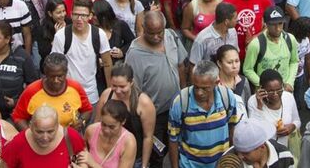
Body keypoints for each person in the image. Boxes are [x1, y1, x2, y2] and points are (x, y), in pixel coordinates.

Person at [124, 11, 187, 155]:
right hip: (154, 115)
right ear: (143, 29)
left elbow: (181, 65)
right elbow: (134, 90)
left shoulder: (171, 36)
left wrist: (184, 93)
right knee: (157, 154)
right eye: (151, 33)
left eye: (160, 32)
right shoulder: (135, 54)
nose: (156, 37)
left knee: (177, 147)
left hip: (176, 108)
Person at [168, 60, 239, 168]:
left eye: (205, 88)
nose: (199, 92)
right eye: (196, 87)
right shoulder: (181, 101)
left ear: (216, 83)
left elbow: (231, 129)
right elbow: (173, 139)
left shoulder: (227, 97)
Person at [52, 0, 112, 107]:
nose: (79, 19)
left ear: (90, 16)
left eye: (83, 15)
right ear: (71, 15)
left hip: (91, 95)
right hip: (67, 94)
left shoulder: (99, 35)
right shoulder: (61, 36)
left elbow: (107, 63)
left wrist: (109, 92)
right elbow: (54, 66)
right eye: (76, 15)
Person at [95, 64, 157, 168]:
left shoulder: (144, 103)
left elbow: (148, 137)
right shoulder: (106, 95)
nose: (118, 90)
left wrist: (144, 165)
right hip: (107, 154)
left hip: (134, 157)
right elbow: (97, 125)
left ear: (131, 82)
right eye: (114, 86)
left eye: (122, 86)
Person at [11, 53, 93, 130]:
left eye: (60, 76)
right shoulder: (31, 91)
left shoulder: (75, 88)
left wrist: (81, 121)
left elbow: (87, 110)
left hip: (68, 139)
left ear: (66, 73)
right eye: (52, 76)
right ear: (45, 74)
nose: (56, 80)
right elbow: (18, 117)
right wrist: (32, 134)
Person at [1, 104, 86, 168]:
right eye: (39, 132)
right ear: (31, 126)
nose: (45, 137)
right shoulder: (19, 142)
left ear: (57, 126)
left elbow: (84, 159)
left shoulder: (70, 136)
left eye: (50, 131)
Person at [242, 6, 299, 91]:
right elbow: (247, 69)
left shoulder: (290, 39)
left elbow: (294, 61)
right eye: (273, 24)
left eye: (280, 23)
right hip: (265, 92)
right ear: (266, 24)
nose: (278, 28)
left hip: (286, 90)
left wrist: (290, 82)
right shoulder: (256, 44)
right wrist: (263, 85)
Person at [247, 69, 301, 152]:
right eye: (271, 91)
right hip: (265, 151)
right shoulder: (253, 101)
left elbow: (297, 121)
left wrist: (292, 126)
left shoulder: (288, 97)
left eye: (279, 90)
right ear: (261, 89)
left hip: (285, 150)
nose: (275, 94)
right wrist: (259, 107)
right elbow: (254, 132)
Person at [217, 118, 295, 168]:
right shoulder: (228, 161)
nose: (240, 157)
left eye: (245, 153)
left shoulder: (284, 155)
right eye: (238, 151)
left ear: (262, 147)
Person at [80, 99, 136, 168]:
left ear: (123, 122)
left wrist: (93, 164)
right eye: (103, 124)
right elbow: (82, 152)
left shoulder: (129, 142)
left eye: (112, 127)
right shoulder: (91, 131)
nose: (106, 130)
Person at [188, 2, 238, 68]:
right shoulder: (202, 39)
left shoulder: (233, 32)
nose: (237, 20)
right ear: (226, 22)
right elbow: (193, 66)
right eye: (235, 18)